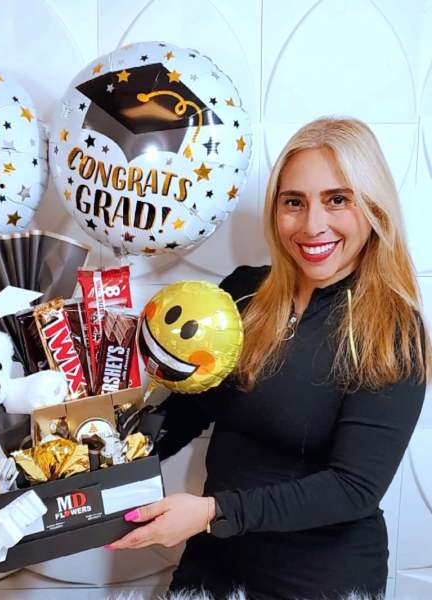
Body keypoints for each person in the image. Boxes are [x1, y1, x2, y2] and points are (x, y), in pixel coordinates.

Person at [107, 117, 431, 600]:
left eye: (337, 200)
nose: (312, 225)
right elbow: (192, 407)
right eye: (294, 202)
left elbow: (353, 488)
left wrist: (213, 512)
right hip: (214, 562)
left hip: (319, 580)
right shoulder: (243, 292)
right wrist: (106, 449)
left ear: (373, 207)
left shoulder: (393, 331)